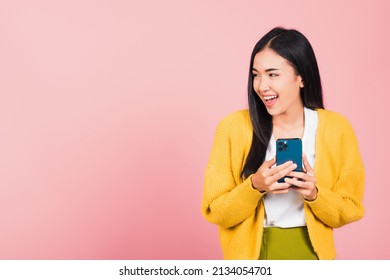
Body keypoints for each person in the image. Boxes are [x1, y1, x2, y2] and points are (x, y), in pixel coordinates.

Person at [201, 27, 364, 260]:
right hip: (251, 259)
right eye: (255, 74)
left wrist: (315, 195)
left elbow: (351, 207)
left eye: (272, 74)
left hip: (312, 255)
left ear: (301, 77)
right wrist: (255, 186)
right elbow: (216, 211)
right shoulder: (232, 128)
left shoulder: (337, 128)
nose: (261, 85)